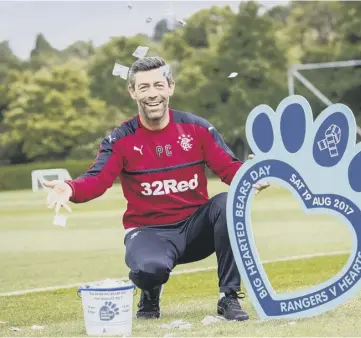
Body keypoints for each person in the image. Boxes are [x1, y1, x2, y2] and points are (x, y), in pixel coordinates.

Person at [43, 56, 269, 321]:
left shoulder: (197, 128)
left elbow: (229, 167)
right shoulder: (120, 139)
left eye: (158, 85)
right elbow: (97, 179)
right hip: (150, 232)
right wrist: (70, 188)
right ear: (132, 92)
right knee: (149, 270)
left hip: (195, 230)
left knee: (229, 203)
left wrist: (250, 176)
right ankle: (150, 293)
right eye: (144, 87)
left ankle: (228, 297)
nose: (152, 94)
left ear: (170, 87)